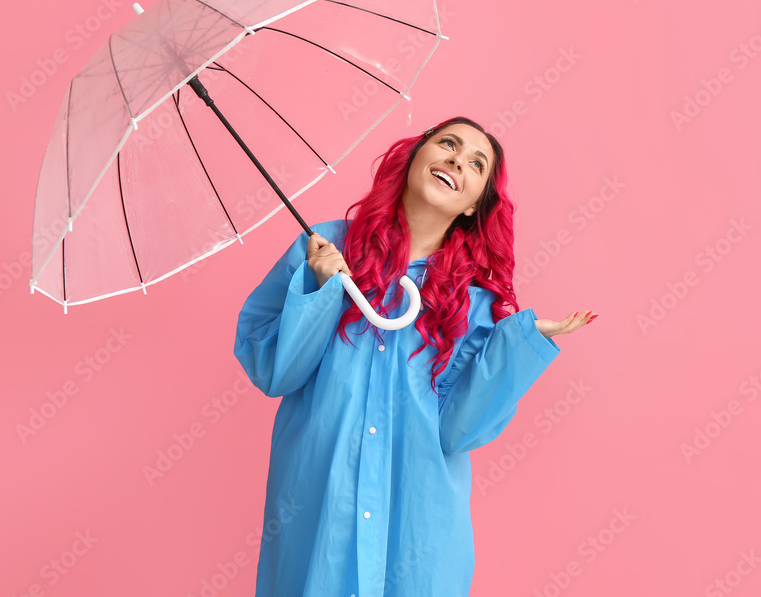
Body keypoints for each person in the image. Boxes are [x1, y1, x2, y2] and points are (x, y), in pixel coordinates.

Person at [234, 116, 597, 596]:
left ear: (474, 205)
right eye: (447, 143)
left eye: (475, 163)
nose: (455, 160)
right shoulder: (324, 247)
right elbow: (275, 370)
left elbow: (458, 429)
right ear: (415, 155)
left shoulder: (474, 301)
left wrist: (520, 345)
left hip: (419, 531)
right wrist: (320, 288)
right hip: (319, 506)